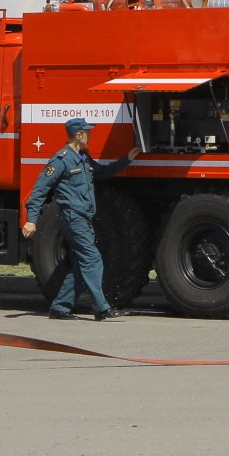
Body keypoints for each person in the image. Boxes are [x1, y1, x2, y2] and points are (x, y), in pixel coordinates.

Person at [21, 117, 138, 320]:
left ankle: (60, 307)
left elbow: (102, 172)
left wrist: (126, 159)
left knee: (80, 263)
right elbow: (40, 190)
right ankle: (101, 308)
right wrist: (31, 219)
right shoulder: (61, 160)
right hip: (73, 218)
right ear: (78, 134)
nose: (90, 135)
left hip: (85, 218)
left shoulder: (83, 157)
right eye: (87, 132)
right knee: (92, 259)